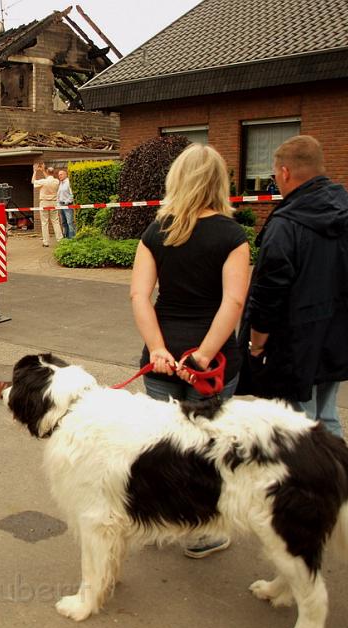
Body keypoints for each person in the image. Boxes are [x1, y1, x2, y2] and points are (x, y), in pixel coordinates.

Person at [130, 143, 250, 558]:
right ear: (220, 181)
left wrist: (158, 349)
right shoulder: (233, 236)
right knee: (207, 446)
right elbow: (233, 303)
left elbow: (140, 297)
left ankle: (160, 518)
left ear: (176, 179)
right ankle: (201, 532)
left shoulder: (155, 231)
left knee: (165, 441)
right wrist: (203, 356)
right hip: (211, 365)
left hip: (161, 362)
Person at [240, 135, 348, 438]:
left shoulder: (286, 224)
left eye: (275, 175)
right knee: (326, 417)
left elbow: (268, 291)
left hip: (292, 346)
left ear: (285, 173)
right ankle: (335, 482)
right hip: (340, 337)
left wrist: (257, 342)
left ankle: (306, 483)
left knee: (294, 428)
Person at [32, 162, 63, 247]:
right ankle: (60, 240)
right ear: (53, 173)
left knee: (44, 223)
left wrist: (35, 171)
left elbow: (33, 182)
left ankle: (46, 242)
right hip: (53, 202)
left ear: (47, 172)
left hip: (44, 203)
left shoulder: (43, 181)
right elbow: (49, 177)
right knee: (56, 222)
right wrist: (43, 171)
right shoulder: (56, 181)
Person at [57, 169, 76, 239]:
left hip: (68, 205)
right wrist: (58, 203)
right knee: (64, 222)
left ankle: (72, 238)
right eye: (59, 175)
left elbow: (72, 195)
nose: (59, 176)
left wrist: (66, 202)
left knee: (70, 222)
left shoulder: (68, 183)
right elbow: (58, 195)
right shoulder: (61, 183)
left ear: (66, 174)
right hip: (61, 205)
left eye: (61, 174)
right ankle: (66, 238)